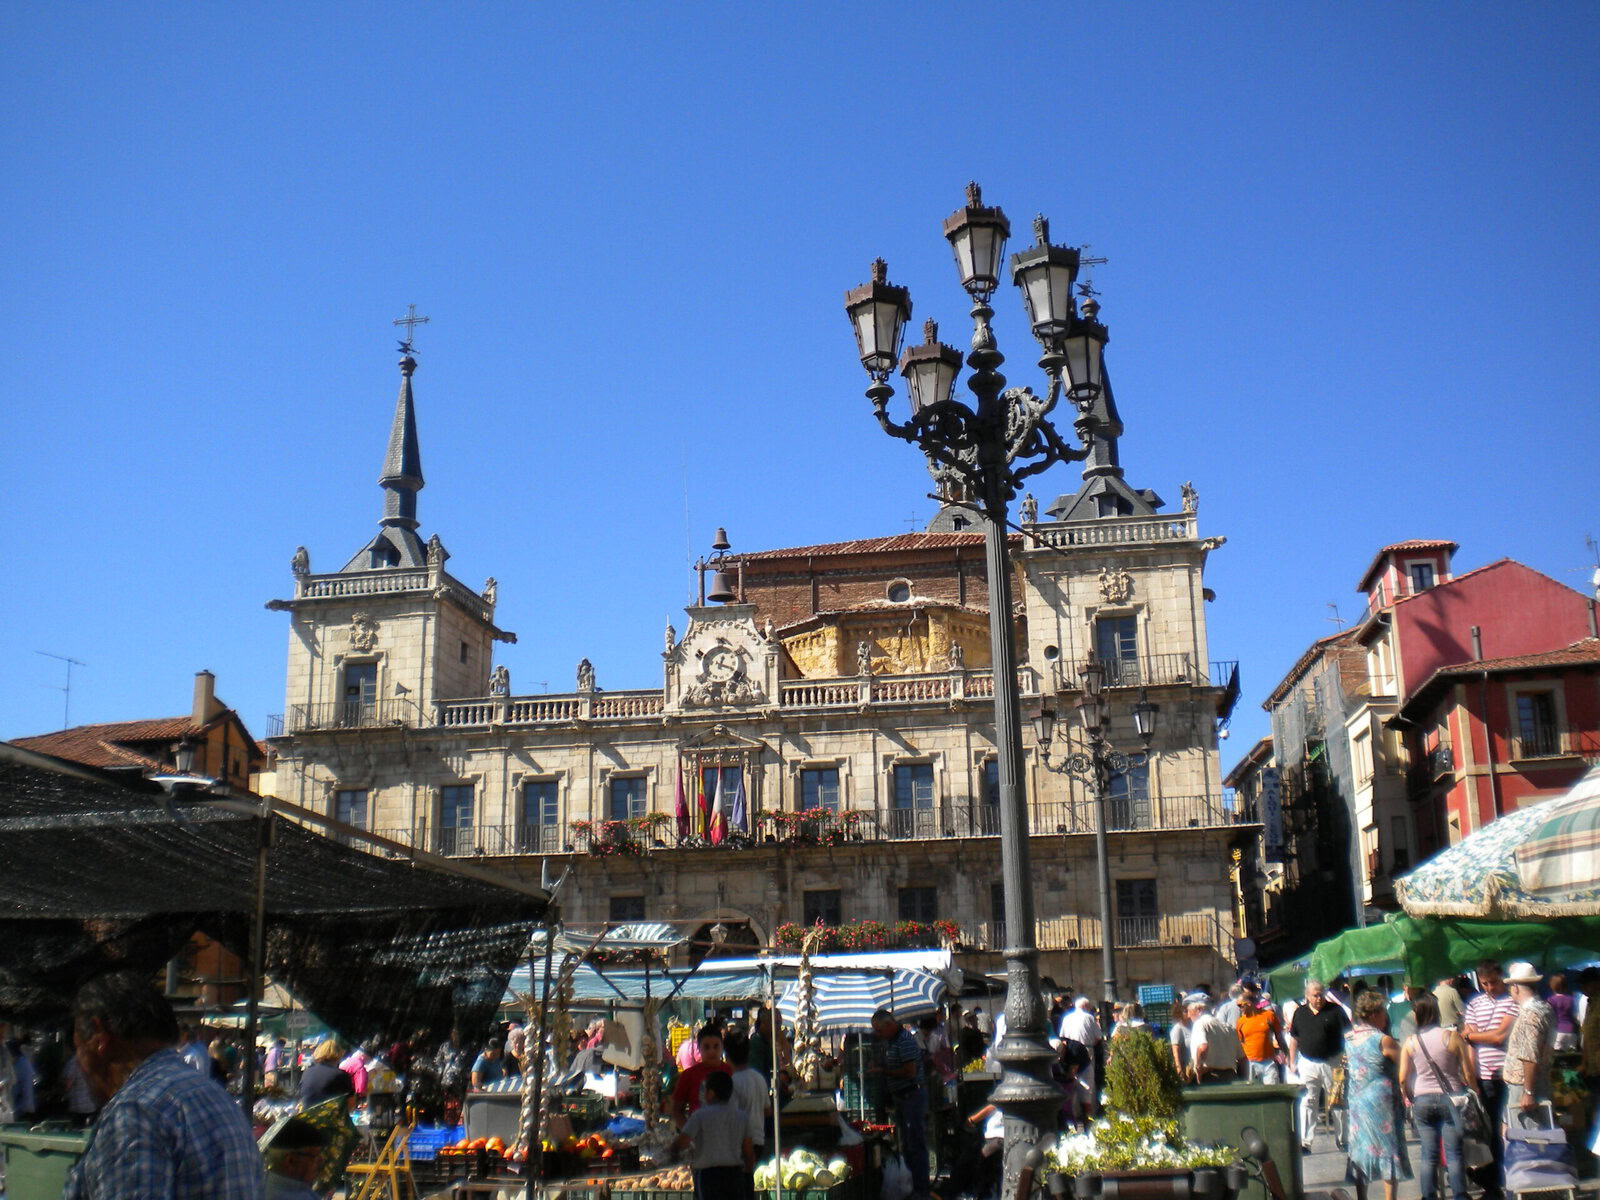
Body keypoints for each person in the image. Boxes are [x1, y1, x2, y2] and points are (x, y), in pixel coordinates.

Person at [62, 970, 264, 1200]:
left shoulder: (135, 1111)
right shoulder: (214, 1096)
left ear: (100, 1036)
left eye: (78, 1048)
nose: (80, 1065)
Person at [1398, 993, 1477, 1200]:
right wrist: (1474, 1092)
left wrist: (1410, 1096)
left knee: (1428, 1154)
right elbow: (1467, 1072)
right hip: (1451, 1098)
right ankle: (1460, 1194)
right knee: (1454, 1153)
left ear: (1418, 1015)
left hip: (1422, 1099)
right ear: (1437, 1012)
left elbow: (1402, 1077)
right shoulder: (1451, 1037)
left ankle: (1429, 1195)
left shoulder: (1411, 1042)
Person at [1342, 988, 1411, 1200]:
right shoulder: (1383, 1040)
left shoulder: (1349, 1038)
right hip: (1381, 1101)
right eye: (1382, 1011)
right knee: (1387, 1149)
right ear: (1373, 1014)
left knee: (1360, 1148)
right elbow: (1404, 1063)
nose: (1385, 1016)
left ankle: (1362, 1196)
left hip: (1357, 1100)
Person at [1461, 959, 1518, 1199]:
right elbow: (1468, 1038)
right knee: (1488, 1130)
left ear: (1501, 978)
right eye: (1484, 983)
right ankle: (1494, 1183)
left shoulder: (1513, 1003)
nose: (1489, 987)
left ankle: (1507, 1178)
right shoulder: (1474, 1004)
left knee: (1505, 1129)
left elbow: (1500, 1037)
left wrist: (1473, 1035)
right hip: (1482, 1075)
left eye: (1493, 982)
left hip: (1506, 1074)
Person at [872, 1008, 932, 1200]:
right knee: (907, 1145)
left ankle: (921, 1190)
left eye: (879, 1030)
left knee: (915, 1144)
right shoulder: (893, 1041)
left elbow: (910, 1071)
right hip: (903, 1098)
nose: (878, 1035)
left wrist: (883, 1071)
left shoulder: (904, 1040)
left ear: (889, 1025)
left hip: (911, 1097)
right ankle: (912, 1186)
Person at [1289, 978, 1351, 1152]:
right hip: (1308, 1062)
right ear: (1307, 996)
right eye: (1315, 995)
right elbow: (1295, 1038)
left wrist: (1348, 1056)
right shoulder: (1300, 1013)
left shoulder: (1336, 1011)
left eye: (1321, 994)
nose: (1319, 998)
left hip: (1334, 1061)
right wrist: (1292, 1061)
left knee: (1338, 1101)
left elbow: (1349, 1034)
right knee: (1308, 1101)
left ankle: (1342, 1140)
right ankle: (1305, 1142)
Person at [674, 1070, 753, 1200]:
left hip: (708, 1177)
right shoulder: (741, 1117)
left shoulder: (699, 1116)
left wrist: (673, 1152)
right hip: (734, 1175)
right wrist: (748, 1168)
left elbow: (682, 1141)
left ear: (710, 1094)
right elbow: (748, 1151)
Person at [1502, 961, 1555, 1114]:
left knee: (1528, 1135)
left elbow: (1529, 1056)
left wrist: (1528, 1092)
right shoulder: (1545, 1008)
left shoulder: (1529, 1015)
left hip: (1525, 1083)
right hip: (1541, 1078)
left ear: (1516, 987)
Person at [725, 1033, 768, 1199]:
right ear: (749, 1053)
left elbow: (733, 1118)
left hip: (741, 1143)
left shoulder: (733, 1082)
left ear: (727, 1057)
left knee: (740, 1188)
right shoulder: (759, 1079)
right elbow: (767, 1110)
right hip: (759, 1138)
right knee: (748, 1183)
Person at [672, 1026, 734, 1126]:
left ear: (722, 1047)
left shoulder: (731, 1072)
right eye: (706, 1047)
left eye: (716, 1046)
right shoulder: (688, 1075)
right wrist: (690, 1133)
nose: (711, 1051)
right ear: (698, 1048)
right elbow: (677, 1111)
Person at [1235, 980, 1289, 1083]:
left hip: (1268, 1062)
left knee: (1272, 1091)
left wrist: (1287, 1054)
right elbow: (1240, 1042)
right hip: (1249, 1063)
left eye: (1241, 1005)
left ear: (1249, 1004)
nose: (1239, 1008)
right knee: (1252, 1094)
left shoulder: (1269, 1016)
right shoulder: (1240, 1022)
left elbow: (1280, 1037)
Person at [263, 1116, 329, 1200]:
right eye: (315, 1155)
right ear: (290, 1161)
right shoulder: (288, 1195)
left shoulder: (262, 1185)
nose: (321, 1159)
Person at [1057, 997, 1104, 1105]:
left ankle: (1074, 1108)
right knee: (1087, 1081)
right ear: (1085, 1006)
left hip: (1069, 1051)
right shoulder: (1089, 1017)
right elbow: (1098, 1037)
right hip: (1086, 1049)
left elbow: (1062, 1036)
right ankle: (1088, 1109)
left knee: (1072, 1079)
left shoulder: (1067, 1018)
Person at [1189, 995, 1243, 1084]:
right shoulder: (1228, 1027)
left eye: (1189, 1011)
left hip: (1211, 1077)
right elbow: (1242, 1058)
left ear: (1199, 1009)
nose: (1188, 1015)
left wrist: (1198, 1069)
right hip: (1231, 1077)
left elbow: (1203, 1047)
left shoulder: (1200, 1024)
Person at [298, 1038, 355, 1108]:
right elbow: (350, 1106)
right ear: (338, 1054)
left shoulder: (307, 1072)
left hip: (307, 1115)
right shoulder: (341, 1075)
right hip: (327, 1116)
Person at [1547, 971, 1578, 1052]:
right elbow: (1575, 1015)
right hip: (1571, 1031)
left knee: (1557, 1057)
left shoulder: (1551, 1000)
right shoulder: (1571, 999)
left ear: (1552, 985)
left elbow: (1549, 1017)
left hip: (1557, 1031)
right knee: (1571, 1056)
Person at [1168, 997, 1193, 1078]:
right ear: (1179, 1015)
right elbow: (1175, 1051)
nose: (1189, 1013)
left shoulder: (1192, 1026)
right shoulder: (1177, 1029)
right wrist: (1179, 1070)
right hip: (1186, 1068)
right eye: (1186, 1011)